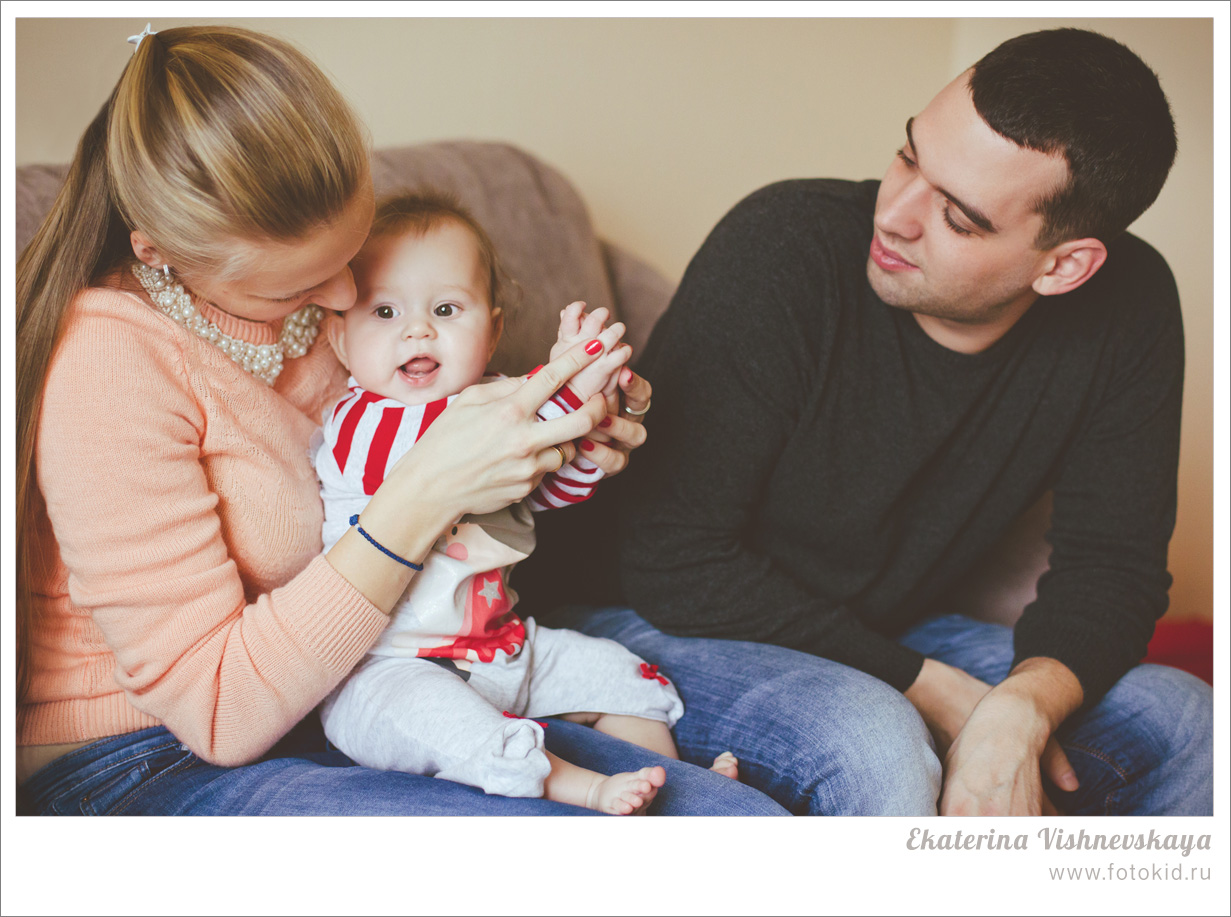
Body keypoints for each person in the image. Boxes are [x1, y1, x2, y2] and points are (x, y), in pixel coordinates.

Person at [14, 24, 786, 817]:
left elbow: (475, 450)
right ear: (160, 255)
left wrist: (577, 424)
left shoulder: (338, 315)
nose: (347, 301)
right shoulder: (107, 362)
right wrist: (423, 492)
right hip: (149, 756)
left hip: (369, 678)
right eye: (298, 289)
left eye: (352, 258)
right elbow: (218, 713)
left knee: (749, 804)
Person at [547, 27, 1213, 815]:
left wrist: (1021, 706)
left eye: (958, 217)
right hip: (641, 622)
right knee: (876, 742)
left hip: (879, 632)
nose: (892, 215)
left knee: (1188, 720)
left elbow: (1112, 567)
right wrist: (930, 687)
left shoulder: (1128, 307)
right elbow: (672, 562)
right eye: (908, 156)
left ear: (1062, 265)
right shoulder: (782, 246)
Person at [313, 192, 739, 814]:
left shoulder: (495, 402)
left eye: (447, 308)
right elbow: (449, 438)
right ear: (341, 341)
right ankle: (585, 788)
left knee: (620, 675)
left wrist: (589, 435)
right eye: (384, 310)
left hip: (505, 648)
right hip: (385, 670)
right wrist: (570, 381)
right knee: (451, 729)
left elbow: (547, 491)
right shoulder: (361, 424)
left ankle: (671, 779)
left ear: (493, 330)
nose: (417, 329)